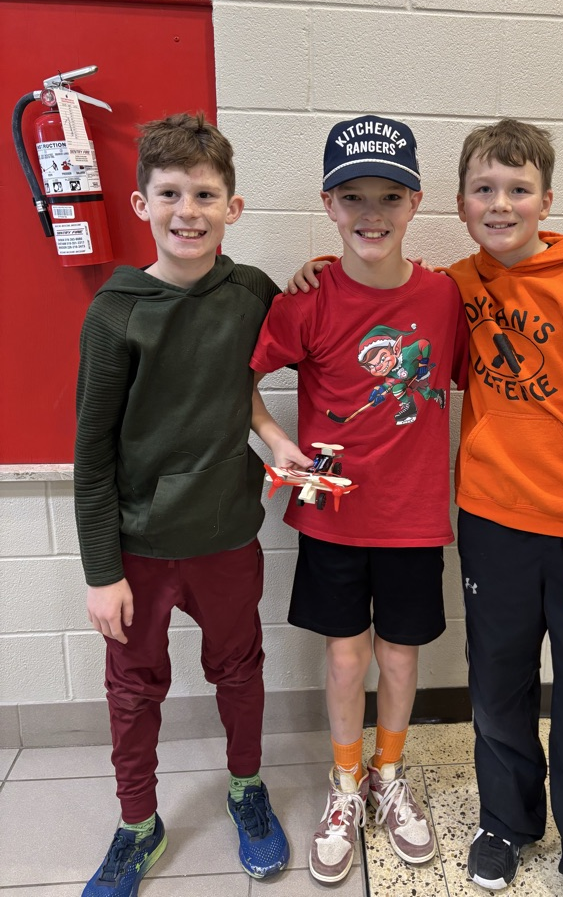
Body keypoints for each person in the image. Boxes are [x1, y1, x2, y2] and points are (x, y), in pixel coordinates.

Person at [290, 118, 563, 897]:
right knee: (497, 693)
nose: (501, 205)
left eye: (518, 190)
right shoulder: (456, 288)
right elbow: (387, 300)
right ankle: (506, 824)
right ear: (459, 205)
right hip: (493, 526)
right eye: (484, 190)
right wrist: (318, 274)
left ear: (547, 200)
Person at [75, 112, 308, 896]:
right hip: (138, 549)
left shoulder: (252, 293)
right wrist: (102, 571)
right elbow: (92, 455)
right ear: (141, 203)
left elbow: (246, 378)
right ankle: (137, 822)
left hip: (223, 539)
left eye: (205, 194)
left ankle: (247, 788)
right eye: (169, 193)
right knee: (134, 691)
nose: (188, 211)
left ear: (232, 208)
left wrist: (273, 433)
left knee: (238, 670)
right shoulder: (114, 313)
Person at [249, 115, 469, 884]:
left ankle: (388, 774)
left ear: (414, 205)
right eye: (353, 197)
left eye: (389, 195)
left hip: (412, 517)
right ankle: (345, 786)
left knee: (400, 654)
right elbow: (241, 382)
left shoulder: (446, 298)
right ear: (329, 205)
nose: (371, 213)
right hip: (335, 515)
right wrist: (277, 442)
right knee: (345, 656)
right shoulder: (304, 301)